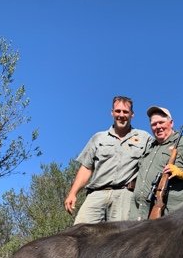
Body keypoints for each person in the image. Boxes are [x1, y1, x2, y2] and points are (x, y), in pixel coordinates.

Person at [64, 96, 151, 224]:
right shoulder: (98, 138)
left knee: (121, 239)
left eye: (125, 112)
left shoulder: (144, 138)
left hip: (124, 196)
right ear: (112, 113)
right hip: (96, 194)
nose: (121, 115)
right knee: (79, 233)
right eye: (118, 111)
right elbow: (86, 168)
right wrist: (73, 193)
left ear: (132, 114)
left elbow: (156, 158)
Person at [130, 106, 183, 220]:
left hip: (177, 218)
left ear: (171, 123)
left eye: (161, 122)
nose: (158, 126)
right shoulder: (150, 148)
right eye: (154, 124)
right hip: (143, 217)